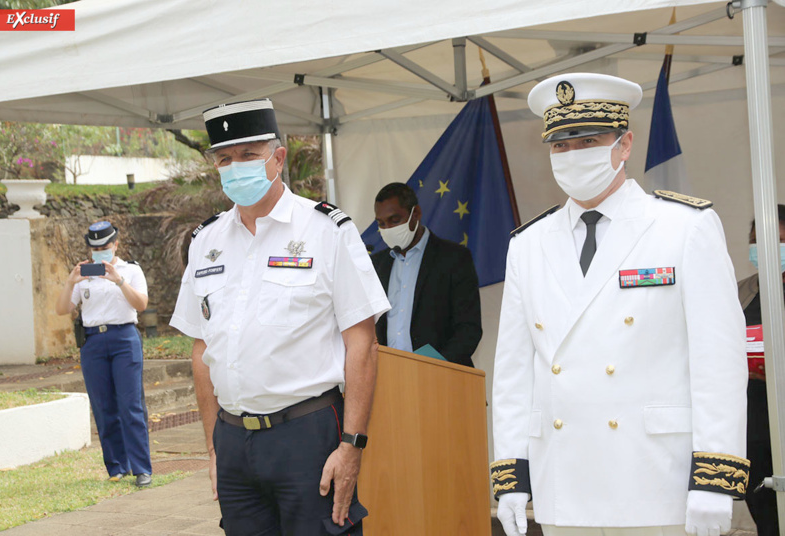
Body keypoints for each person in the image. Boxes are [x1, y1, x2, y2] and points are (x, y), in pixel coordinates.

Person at [491, 73, 749, 536]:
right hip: (563, 483)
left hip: (656, 480)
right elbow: (513, 372)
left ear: (624, 144)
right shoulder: (528, 245)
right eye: (561, 146)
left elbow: (718, 362)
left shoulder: (683, 227)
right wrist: (511, 473)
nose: (573, 156)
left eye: (588, 141)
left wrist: (715, 475)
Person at [170, 99, 390, 536]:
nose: (236, 167)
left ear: (278, 157)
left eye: (248, 155)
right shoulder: (206, 241)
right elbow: (201, 349)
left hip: (306, 434)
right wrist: (214, 448)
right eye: (225, 159)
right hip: (233, 440)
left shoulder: (326, 230)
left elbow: (362, 343)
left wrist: (352, 445)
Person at [55, 221, 152, 487]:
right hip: (93, 342)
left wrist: (119, 280)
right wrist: (70, 282)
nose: (100, 252)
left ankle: (141, 468)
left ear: (116, 245)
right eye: (95, 249)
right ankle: (117, 466)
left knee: (130, 405)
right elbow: (62, 309)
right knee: (103, 405)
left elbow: (141, 304)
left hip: (124, 338)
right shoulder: (84, 274)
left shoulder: (131, 270)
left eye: (105, 247)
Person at [370, 182, 482, 367]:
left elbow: (468, 328)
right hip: (389, 376)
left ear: (416, 214)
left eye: (395, 220)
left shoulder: (454, 258)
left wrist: (434, 367)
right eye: (381, 224)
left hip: (441, 375)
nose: (388, 228)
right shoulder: (376, 265)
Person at [737, 206, 785, 536]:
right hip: (754, 415)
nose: (767, 248)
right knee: (762, 502)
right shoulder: (740, 291)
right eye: (758, 240)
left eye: (779, 240)